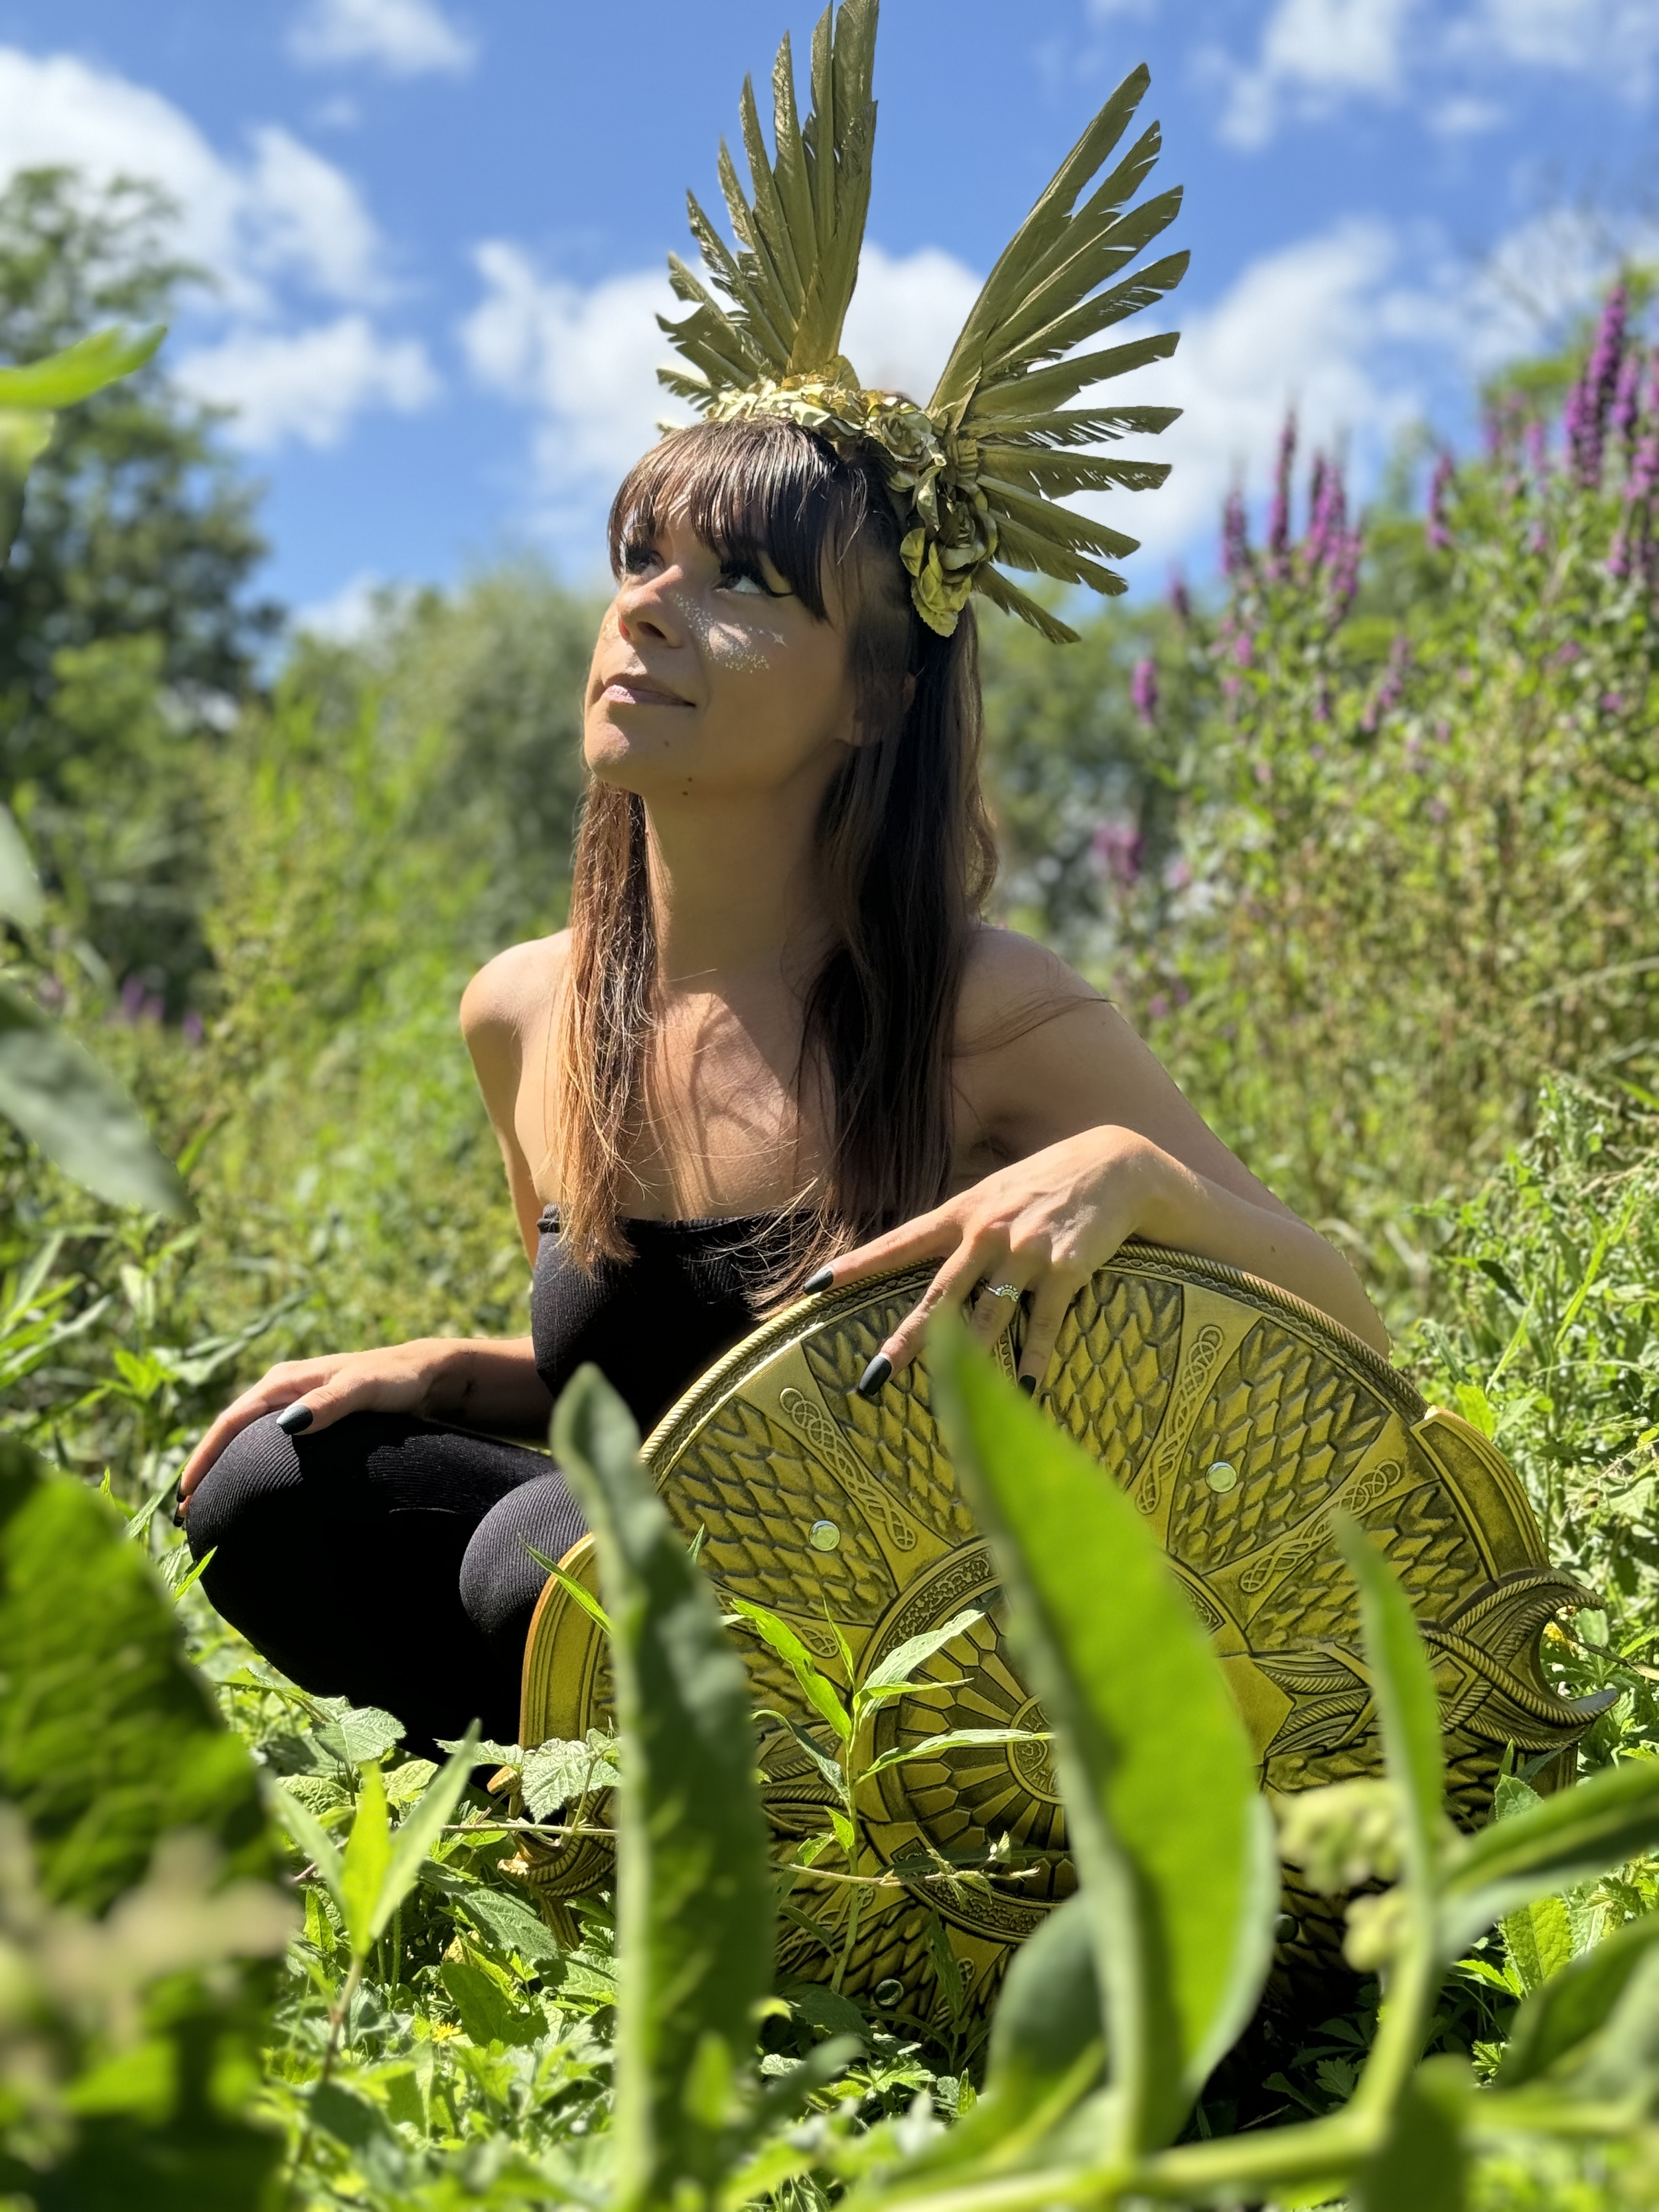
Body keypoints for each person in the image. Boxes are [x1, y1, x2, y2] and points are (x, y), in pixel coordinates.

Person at [179, 5, 1387, 1755]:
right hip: (623, 1570)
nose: (648, 606)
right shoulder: (526, 1010)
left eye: (740, 580)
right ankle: (545, 1856)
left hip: (917, 1653)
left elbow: (1339, 1327)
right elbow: (655, 1388)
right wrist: (453, 1371)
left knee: (554, 1550)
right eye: (636, 554)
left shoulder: (985, 1009)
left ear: (875, 690)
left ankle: (870, 1914)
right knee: (280, 1485)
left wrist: (1131, 1174)